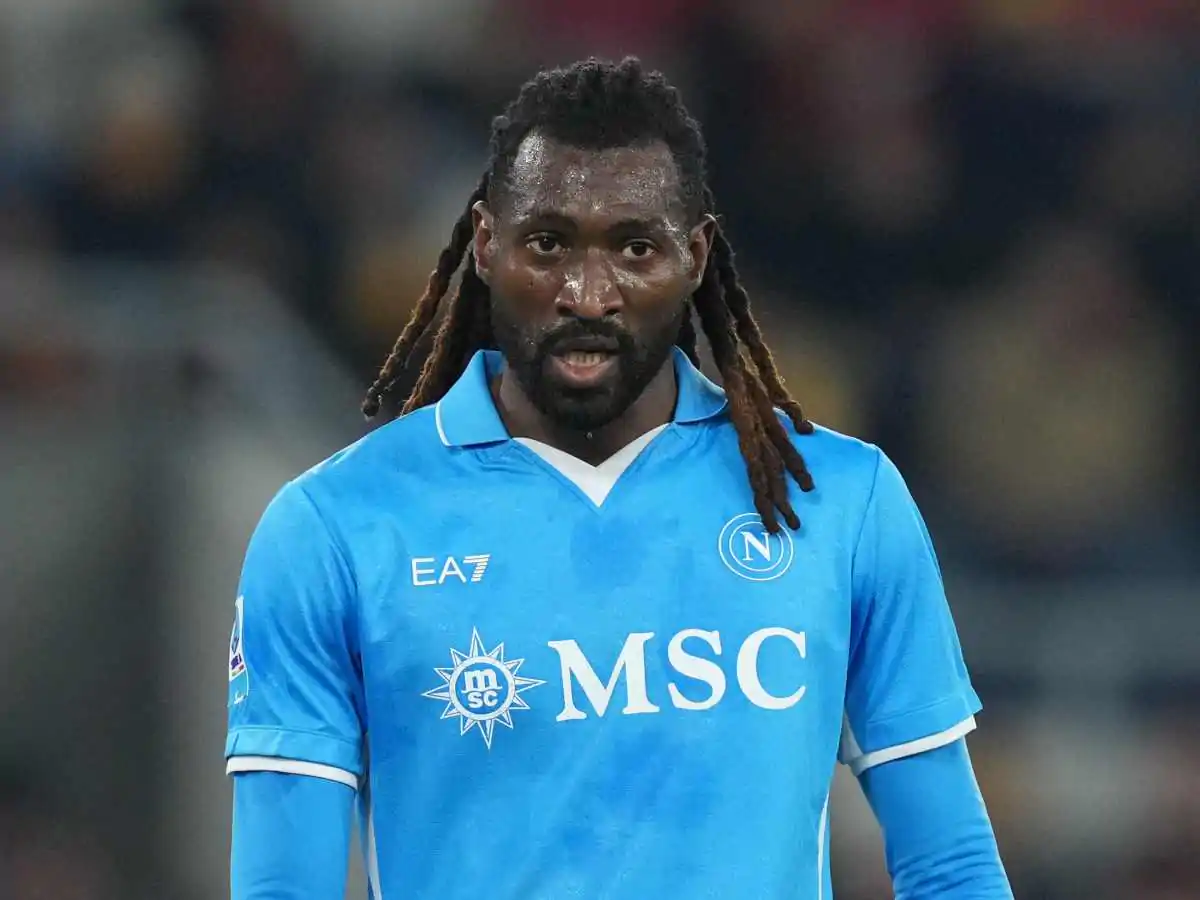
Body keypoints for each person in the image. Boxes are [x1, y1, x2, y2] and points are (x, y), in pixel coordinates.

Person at [225, 57, 1013, 899]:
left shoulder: (838, 499)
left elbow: (951, 867)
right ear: (486, 245)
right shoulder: (337, 527)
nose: (588, 294)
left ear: (695, 255)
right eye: (548, 244)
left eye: (635, 248)